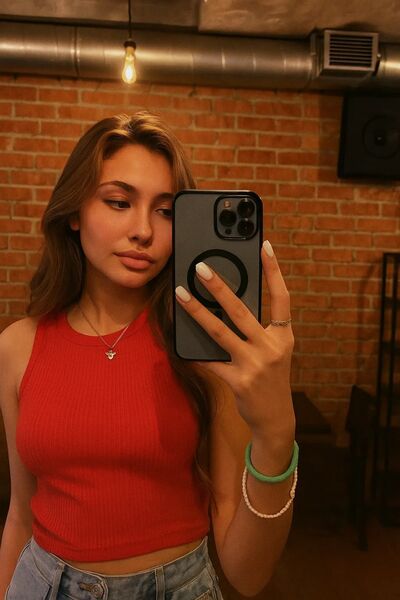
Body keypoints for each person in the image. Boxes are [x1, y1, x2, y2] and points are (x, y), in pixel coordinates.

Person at [0, 111, 296, 600]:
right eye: (119, 202)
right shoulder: (18, 345)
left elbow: (248, 574)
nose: (143, 230)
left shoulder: (206, 350)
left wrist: (277, 434)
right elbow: (20, 513)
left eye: (166, 211)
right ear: (74, 212)